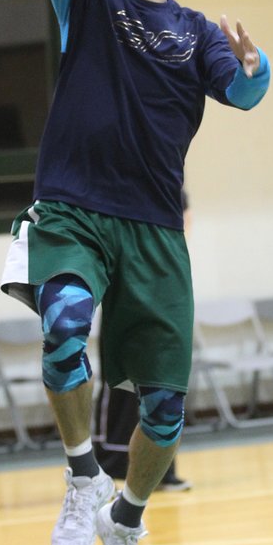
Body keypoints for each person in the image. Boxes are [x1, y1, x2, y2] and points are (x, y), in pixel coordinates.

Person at [1, 0, 271, 545]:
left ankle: (127, 518)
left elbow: (243, 95)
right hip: (74, 207)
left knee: (163, 408)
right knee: (64, 328)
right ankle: (81, 472)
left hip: (154, 224)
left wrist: (257, 71)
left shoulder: (198, 32)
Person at [93, 189, 193, 492]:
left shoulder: (168, 187)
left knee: (162, 382)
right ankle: (110, 462)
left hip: (160, 286)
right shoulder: (112, 188)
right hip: (124, 290)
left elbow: (184, 222)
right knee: (120, 383)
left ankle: (160, 470)